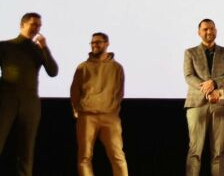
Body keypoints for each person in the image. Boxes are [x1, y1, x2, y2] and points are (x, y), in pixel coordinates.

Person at [0, 12, 59, 176]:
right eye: (33, 24)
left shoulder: (38, 50)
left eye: (39, 25)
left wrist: (45, 48)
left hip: (30, 103)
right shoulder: (5, 46)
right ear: (22, 25)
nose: (36, 28)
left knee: (26, 149)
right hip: (6, 99)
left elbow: (53, 71)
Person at [70, 32, 129, 176]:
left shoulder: (117, 67)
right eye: (92, 43)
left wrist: (112, 110)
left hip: (110, 117)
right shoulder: (83, 67)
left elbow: (119, 91)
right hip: (87, 116)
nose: (94, 45)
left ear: (106, 44)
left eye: (98, 42)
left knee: (117, 155)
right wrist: (77, 109)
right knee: (84, 157)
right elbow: (75, 90)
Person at [184, 18, 224, 176]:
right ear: (199, 32)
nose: (209, 31)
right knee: (195, 151)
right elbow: (188, 76)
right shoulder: (190, 52)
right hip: (196, 104)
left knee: (218, 151)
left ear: (216, 31)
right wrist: (207, 88)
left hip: (220, 103)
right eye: (205, 29)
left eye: (212, 28)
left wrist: (214, 83)